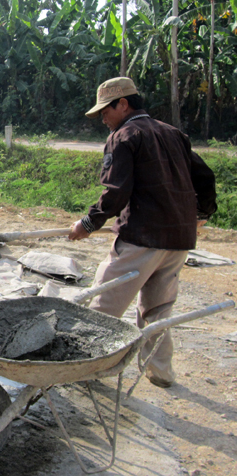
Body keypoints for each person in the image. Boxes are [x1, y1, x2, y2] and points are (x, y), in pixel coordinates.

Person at [69, 77, 217, 388]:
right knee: (158, 311)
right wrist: (201, 214)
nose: (102, 119)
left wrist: (87, 223)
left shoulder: (124, 136)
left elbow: (116, 193)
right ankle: (160, 372)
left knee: (103, 305)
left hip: (142, 238)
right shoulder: (172, 133)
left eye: (104, 112)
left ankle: (82, 369)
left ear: (122, 104)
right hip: (178, 241)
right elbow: (205, 176)